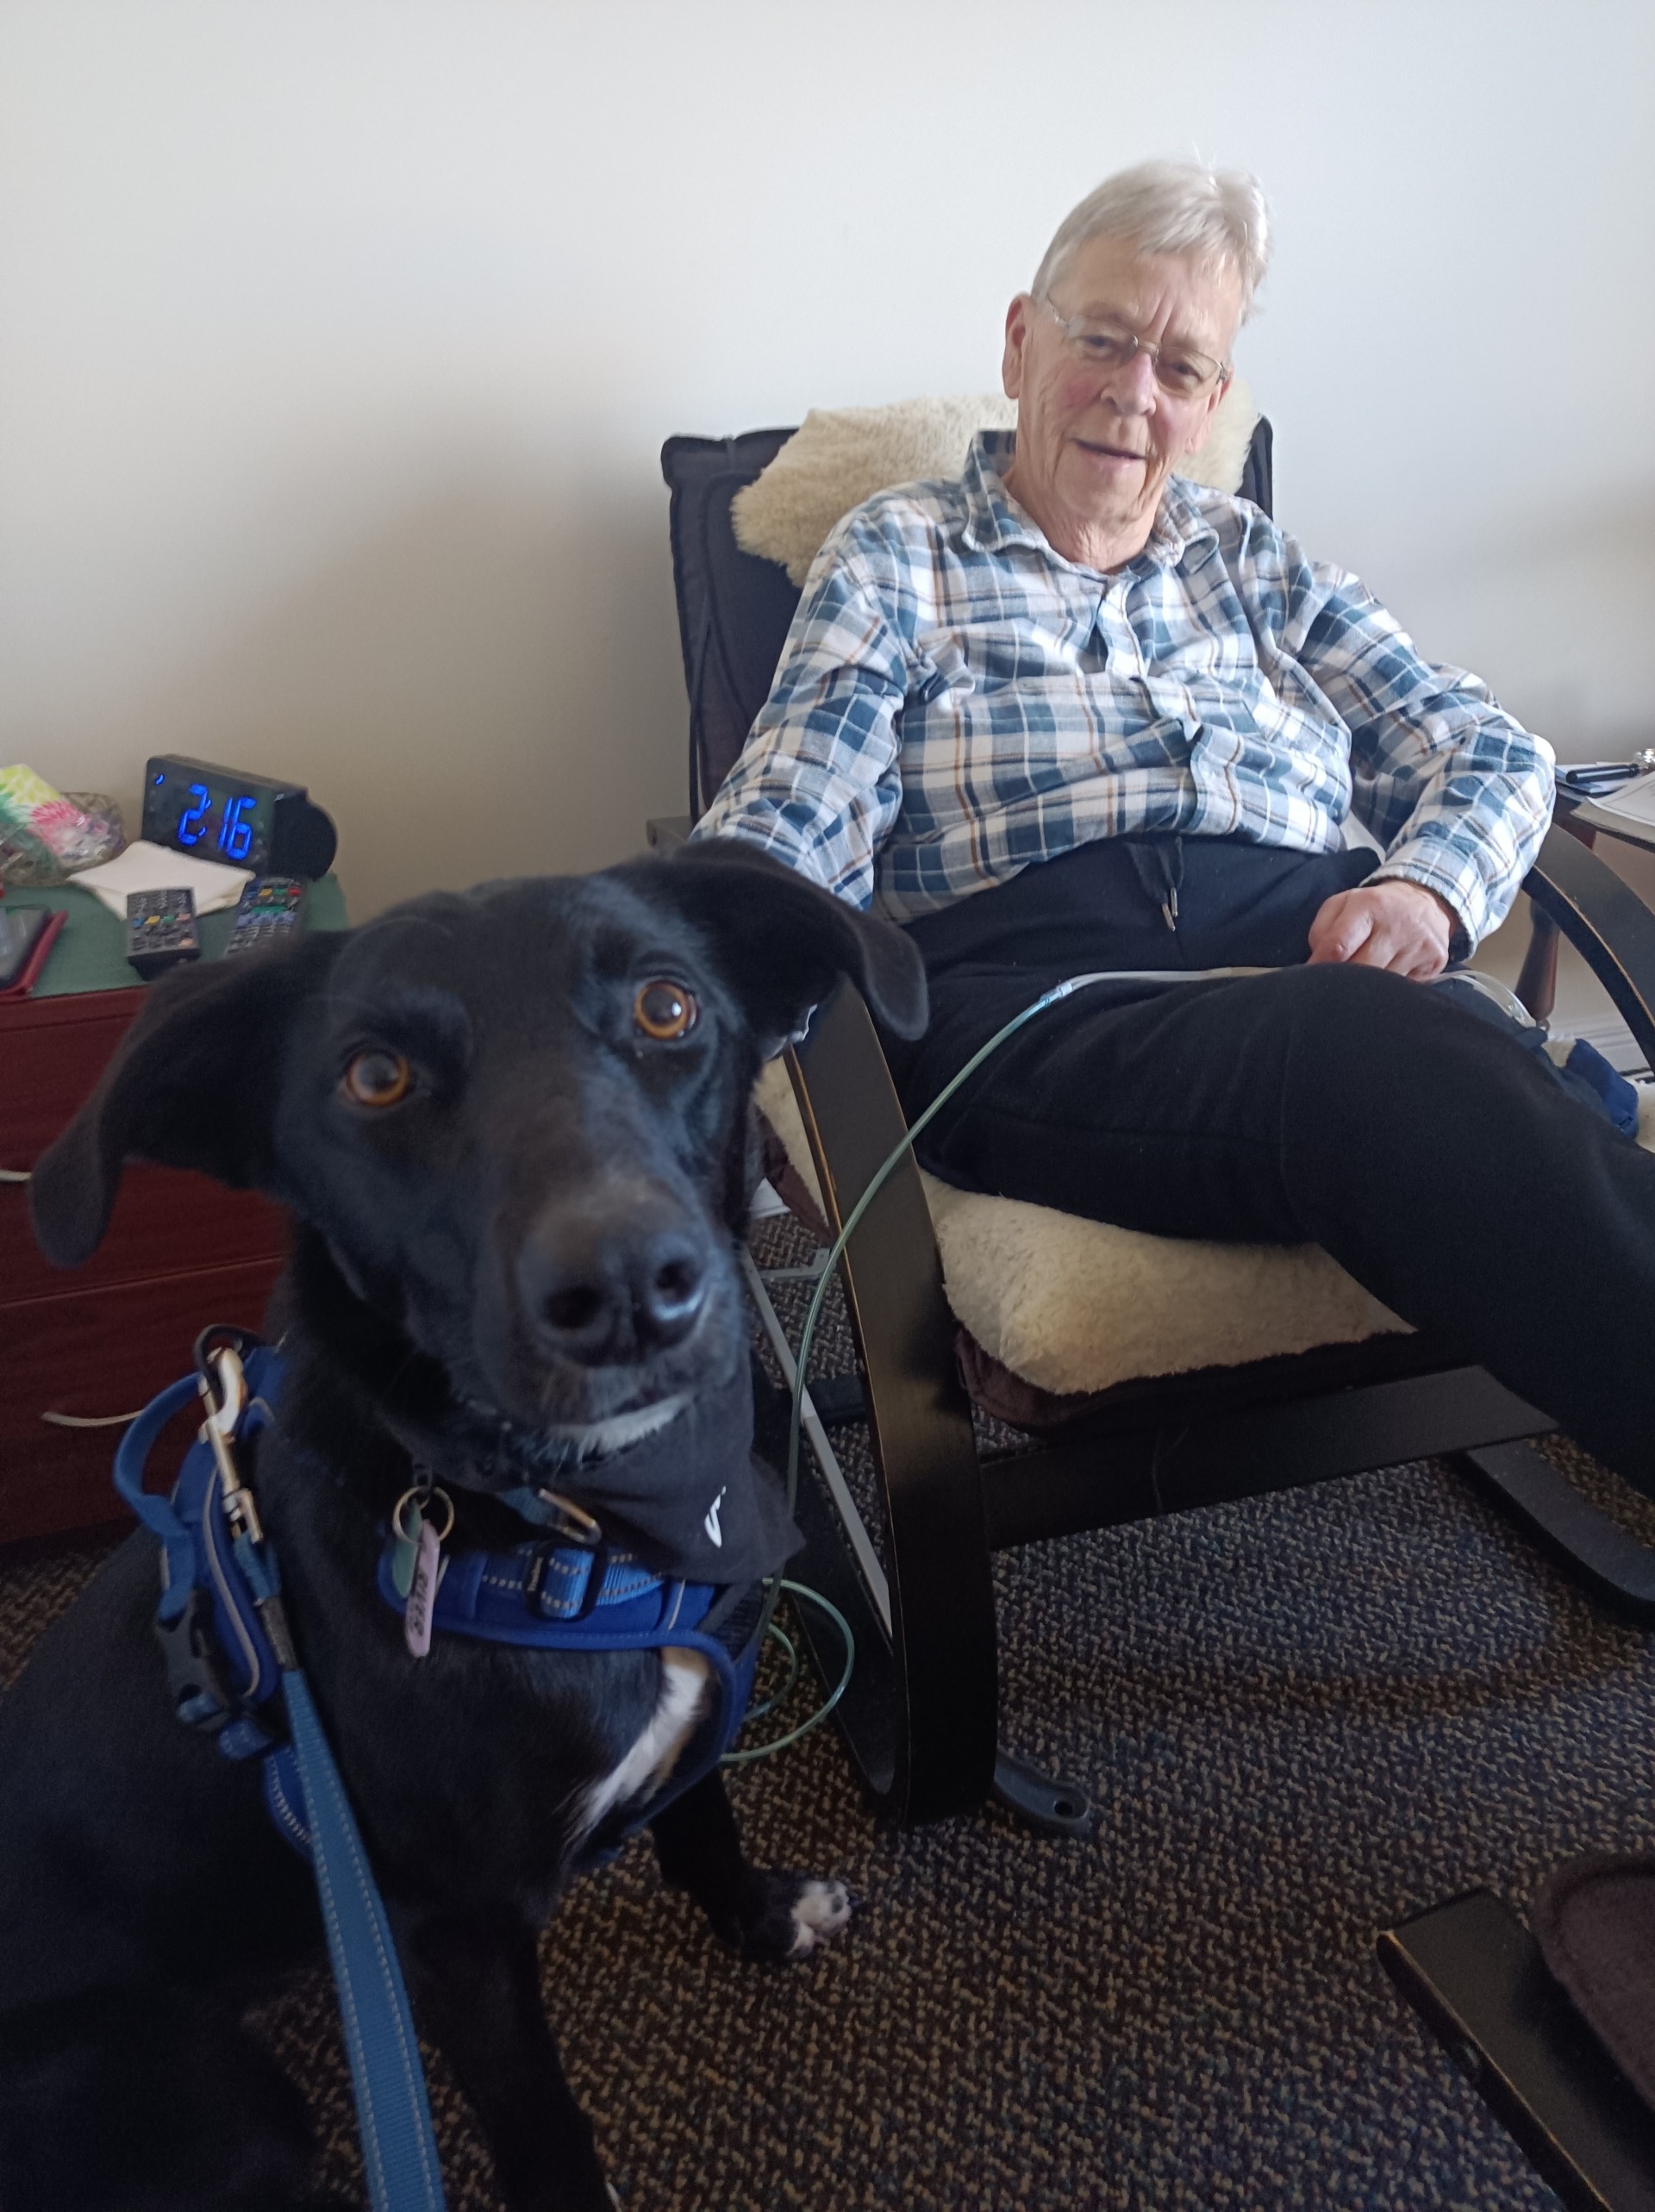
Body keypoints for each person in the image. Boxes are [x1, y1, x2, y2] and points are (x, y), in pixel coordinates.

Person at [694, 159, 1655, 1491]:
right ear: (1024, 340)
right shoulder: (897, 555)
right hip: (1039, 1005)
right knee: (1397, 1063)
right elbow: (793, 812)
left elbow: (1490, 746)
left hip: (1320, 964)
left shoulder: (1257, 562)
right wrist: (687, 969)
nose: (1134, 394)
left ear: (1211, 405)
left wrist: (1427, 893)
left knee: (1414, 1051)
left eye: (1183, 366)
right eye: (1103, 338)